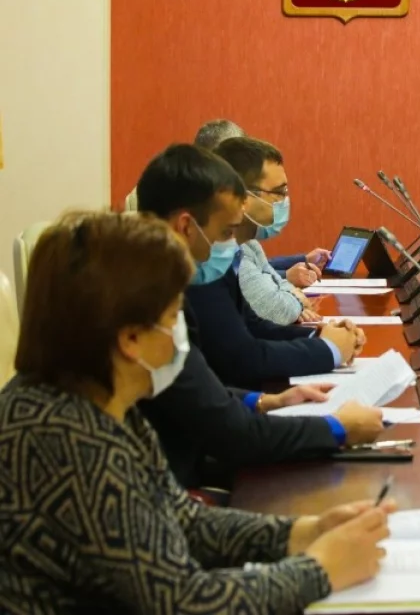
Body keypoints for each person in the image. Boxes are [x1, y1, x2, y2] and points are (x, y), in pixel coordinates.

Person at [0, 211, 393, 613]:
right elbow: (181, 601)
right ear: (131, 338)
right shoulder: (68, 439)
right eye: (174, 316)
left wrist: (303, 533)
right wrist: (321, 569)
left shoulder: (104, 399)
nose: (183, 332)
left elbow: (180, 518)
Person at [134, 146, 382, 488]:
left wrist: (263, 401)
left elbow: (195, 389)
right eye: (226, 233)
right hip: (177, 485)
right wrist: (337, 428)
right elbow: (233, 432)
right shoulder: (152, 305)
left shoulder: (163, 286)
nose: (230, 245)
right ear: (187, 227)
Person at [138, 144, 361, 390]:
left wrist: (321, 336)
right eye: (226, 231)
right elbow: (240, 360)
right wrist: (327, 349)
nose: (231, 241)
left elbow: (252, 325)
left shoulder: (207, 262)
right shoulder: (196, 273)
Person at [216, 136, 321, 325]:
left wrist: (290, 295)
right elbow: (276, 309)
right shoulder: (220, 255)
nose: (285, 201)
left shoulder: (249, 245)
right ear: (243, 197)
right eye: (279, 192)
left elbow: (280, 285)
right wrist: (296, 300)